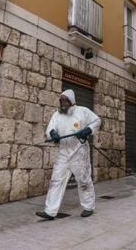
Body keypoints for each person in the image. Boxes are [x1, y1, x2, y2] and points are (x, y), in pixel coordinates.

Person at [35, 89, 101, 220]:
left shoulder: (83, 111)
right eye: (61, 100)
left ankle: (88, 207)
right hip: (63, 153)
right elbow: (50, 129)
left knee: (83, 180)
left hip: (79, 153)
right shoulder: (57, 115)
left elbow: (97, 121)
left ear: (71, 101)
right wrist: (53, 134)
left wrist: (88, 130)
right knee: (56, 180)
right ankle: (50, 211)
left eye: (65, 100)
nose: (62, 102)